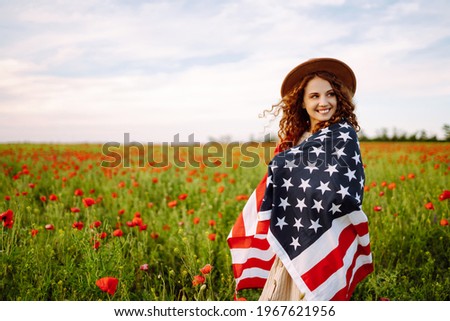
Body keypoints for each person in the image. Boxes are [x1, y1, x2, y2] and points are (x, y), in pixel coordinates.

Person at [227, 58, 374, 301]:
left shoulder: (342, 135)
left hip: (324, 233)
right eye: (314, 96)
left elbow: (340, 188)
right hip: (291, 232)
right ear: (302, 102)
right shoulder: (295, 138)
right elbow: (280, 180)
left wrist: (285, 166)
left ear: (340, 99)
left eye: (330, 95)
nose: (324, 102)